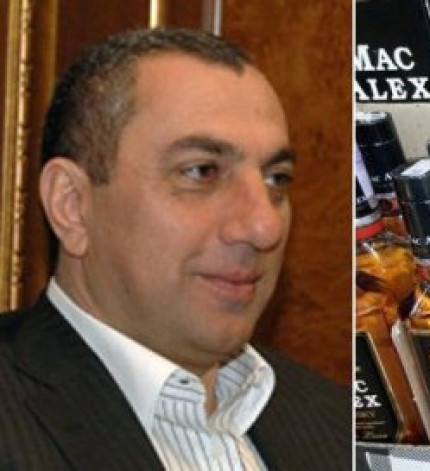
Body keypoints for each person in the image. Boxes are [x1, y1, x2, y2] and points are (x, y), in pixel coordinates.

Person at [0, 28, 351, 470]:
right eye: (202, 172)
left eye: (276, 179)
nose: (264, 227)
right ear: (71, 205)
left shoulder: (341, 425)